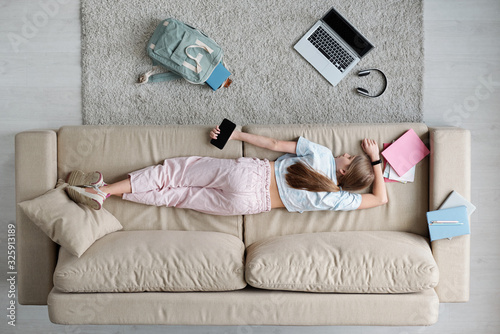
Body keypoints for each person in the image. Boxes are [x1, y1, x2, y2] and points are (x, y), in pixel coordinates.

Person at [65, 126, 388, 214]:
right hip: (248, 205)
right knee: (174, 198)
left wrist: (235, 134)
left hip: (248, 175)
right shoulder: (335, 199)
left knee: (173, 173)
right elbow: (380, 201)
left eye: (348, 159)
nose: (345, 154)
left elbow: (273, 144)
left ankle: (103, 190)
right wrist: (374, 164)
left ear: (344, 172)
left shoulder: (320, 155)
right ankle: (104, 194)